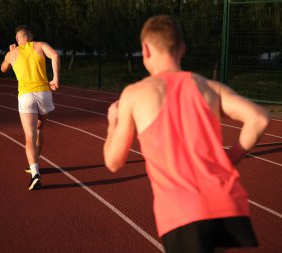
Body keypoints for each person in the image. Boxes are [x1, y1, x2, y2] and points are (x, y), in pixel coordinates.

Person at [103, 15, 270, 253]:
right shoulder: (209, 86)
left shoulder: (135, 93)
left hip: (182, 213)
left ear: (145, 49)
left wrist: (113, 122)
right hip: (227, 202)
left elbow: (113, 161)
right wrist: (231, 157)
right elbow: (259, 117)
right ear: (181, 49)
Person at [1, 25, 60, 190]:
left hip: (26, 96)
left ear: (18, 39)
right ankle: (36, 159)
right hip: (44, 93)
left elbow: (3, 68)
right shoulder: (40, 45)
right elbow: (54, 55)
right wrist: (55, 78)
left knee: (29, 136)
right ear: (30, 37)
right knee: (40, 129)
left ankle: (35, 173)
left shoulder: (12, 53)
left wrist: (11, 53)